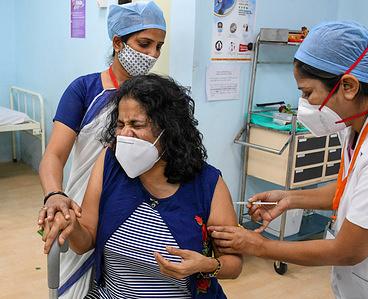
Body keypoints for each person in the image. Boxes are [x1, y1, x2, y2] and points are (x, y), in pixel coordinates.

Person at [209, 20, 368, 298]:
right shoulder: (361, 118)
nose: (305, 103)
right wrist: (290, 198)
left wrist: (257, 245)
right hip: (362, 282)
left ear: (348, 86)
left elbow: (347, 251)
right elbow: (352, 188)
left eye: (308, 92)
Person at [42, 74, 243, 298]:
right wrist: (71, 224)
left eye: (136, 125)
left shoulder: (208, 184)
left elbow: (233, 264)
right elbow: (85, 240)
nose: (125, 135)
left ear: (170, 129)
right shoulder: (109, 162)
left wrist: (205, 265)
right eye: (120, 125)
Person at [37, 2, 167, 297]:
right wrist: (55, 194)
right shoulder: (84, 90)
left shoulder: (160, 98)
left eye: (159, 46)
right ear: (118, 42)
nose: (153, 55)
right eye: (144, 44)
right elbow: (54, 155)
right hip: (83, 210)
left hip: (136, 215)